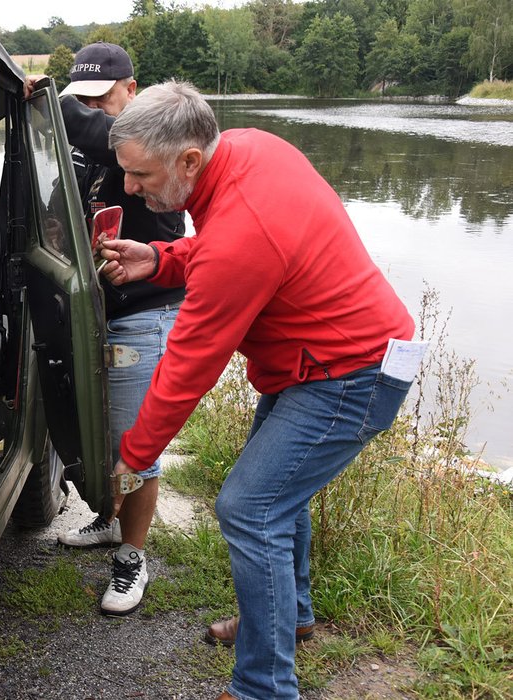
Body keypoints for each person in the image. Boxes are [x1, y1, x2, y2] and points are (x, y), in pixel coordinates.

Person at [97, 81, 418, 700]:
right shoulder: (247, 148)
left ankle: (264, 688)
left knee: (251, 508)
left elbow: (190, 362)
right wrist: (162, 259)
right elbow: (232, 248)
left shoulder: (243, 226)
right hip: (318, 363)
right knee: (275, 498)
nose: (131, 189)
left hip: (350, 375)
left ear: (190, 160)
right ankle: (287, 619)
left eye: (140, 175)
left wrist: (132, 458)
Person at [26, 42, 186, 616]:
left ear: (131, 90)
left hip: (145, 315)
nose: (94, 108)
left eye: (103, 97)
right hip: (99, 314)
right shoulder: (94, 149)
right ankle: (108, 519)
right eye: (83, 99)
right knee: (101, 434)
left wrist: (47, 101)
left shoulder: (150, 142)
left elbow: (98, 134)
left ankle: (131, 560)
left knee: (133, 445)